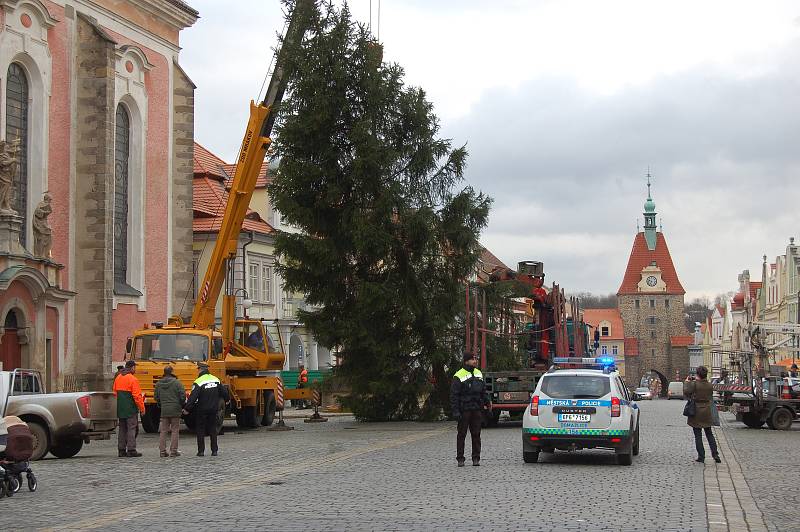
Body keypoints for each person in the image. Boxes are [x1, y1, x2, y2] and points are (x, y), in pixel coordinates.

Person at [450, 352, 491, 467]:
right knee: (461, 434)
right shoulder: (458, 375)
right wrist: (456, 411)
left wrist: (488, 405)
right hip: (464, 410)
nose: (475, 361)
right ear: (466, 361)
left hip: (476, 409)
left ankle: (476, 458)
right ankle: (460, 458)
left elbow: (483, 391)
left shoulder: (478, 373)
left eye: (476, 359)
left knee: (476, 434)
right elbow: (454, 396)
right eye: (473, 359)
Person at [183, 363, 229, 456]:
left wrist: (187, 408)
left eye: (198, 369)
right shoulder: (216, 379)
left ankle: (201, 451)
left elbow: (193, 397)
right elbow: (224, 392)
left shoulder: (199, 381)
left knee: (200, 429)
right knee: (213, 429)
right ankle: (214, 450)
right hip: (213, 409)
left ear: (200, 370)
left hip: (202, 409)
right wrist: (227, 400)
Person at [684, 365, 720, 464]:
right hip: (707, 410)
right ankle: (715, 454)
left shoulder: (695, 384)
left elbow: (687, 392)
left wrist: (687, 382)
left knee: (698, 435)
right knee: (709, 434)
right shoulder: (709, 385)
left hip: (697, 410)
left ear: (698, 374)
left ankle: (701, 456)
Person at [112, 360, 145, 457]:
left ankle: (121, 450)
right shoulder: (133, 379)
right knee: (131, 428)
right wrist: (142, 408)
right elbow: (137, 396)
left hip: (120, 408)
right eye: (135, 367)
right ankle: (131, 449)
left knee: (122, 429)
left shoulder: (118, 378)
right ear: (132, 368)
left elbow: (114, 393)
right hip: (130, 408)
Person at [154, 366, 186, 457]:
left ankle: (162, 451)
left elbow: (156, 397)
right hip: (175, 409)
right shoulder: (177, 383)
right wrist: (181, 404)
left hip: (164, 409)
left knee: (163, 431)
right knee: (175, 430)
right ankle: (173, 451)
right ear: (172, 372)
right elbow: (182, 396)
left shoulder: (158, 384)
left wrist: (161, 403)